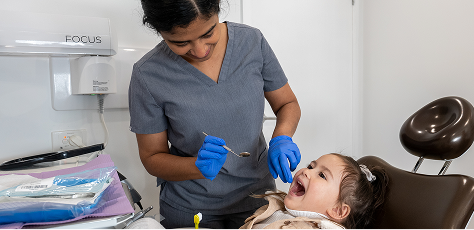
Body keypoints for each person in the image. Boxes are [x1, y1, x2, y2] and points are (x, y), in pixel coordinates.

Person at [128, 0, 302, 229]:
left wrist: (282, 137)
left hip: (258, 200)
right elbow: (152, 157)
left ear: (218, 10)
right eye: (180, 42)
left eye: (209, 32)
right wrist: (195, 166)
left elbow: (287, 103)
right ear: (158, 31)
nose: (200, 51)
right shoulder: (147, 74)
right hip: (190, 206)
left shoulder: (252, 42)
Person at [239, 153, 388, 230]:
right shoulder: (277, 210)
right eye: (311, 166)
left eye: (322, 175)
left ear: (337, 210)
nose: (306, 171)